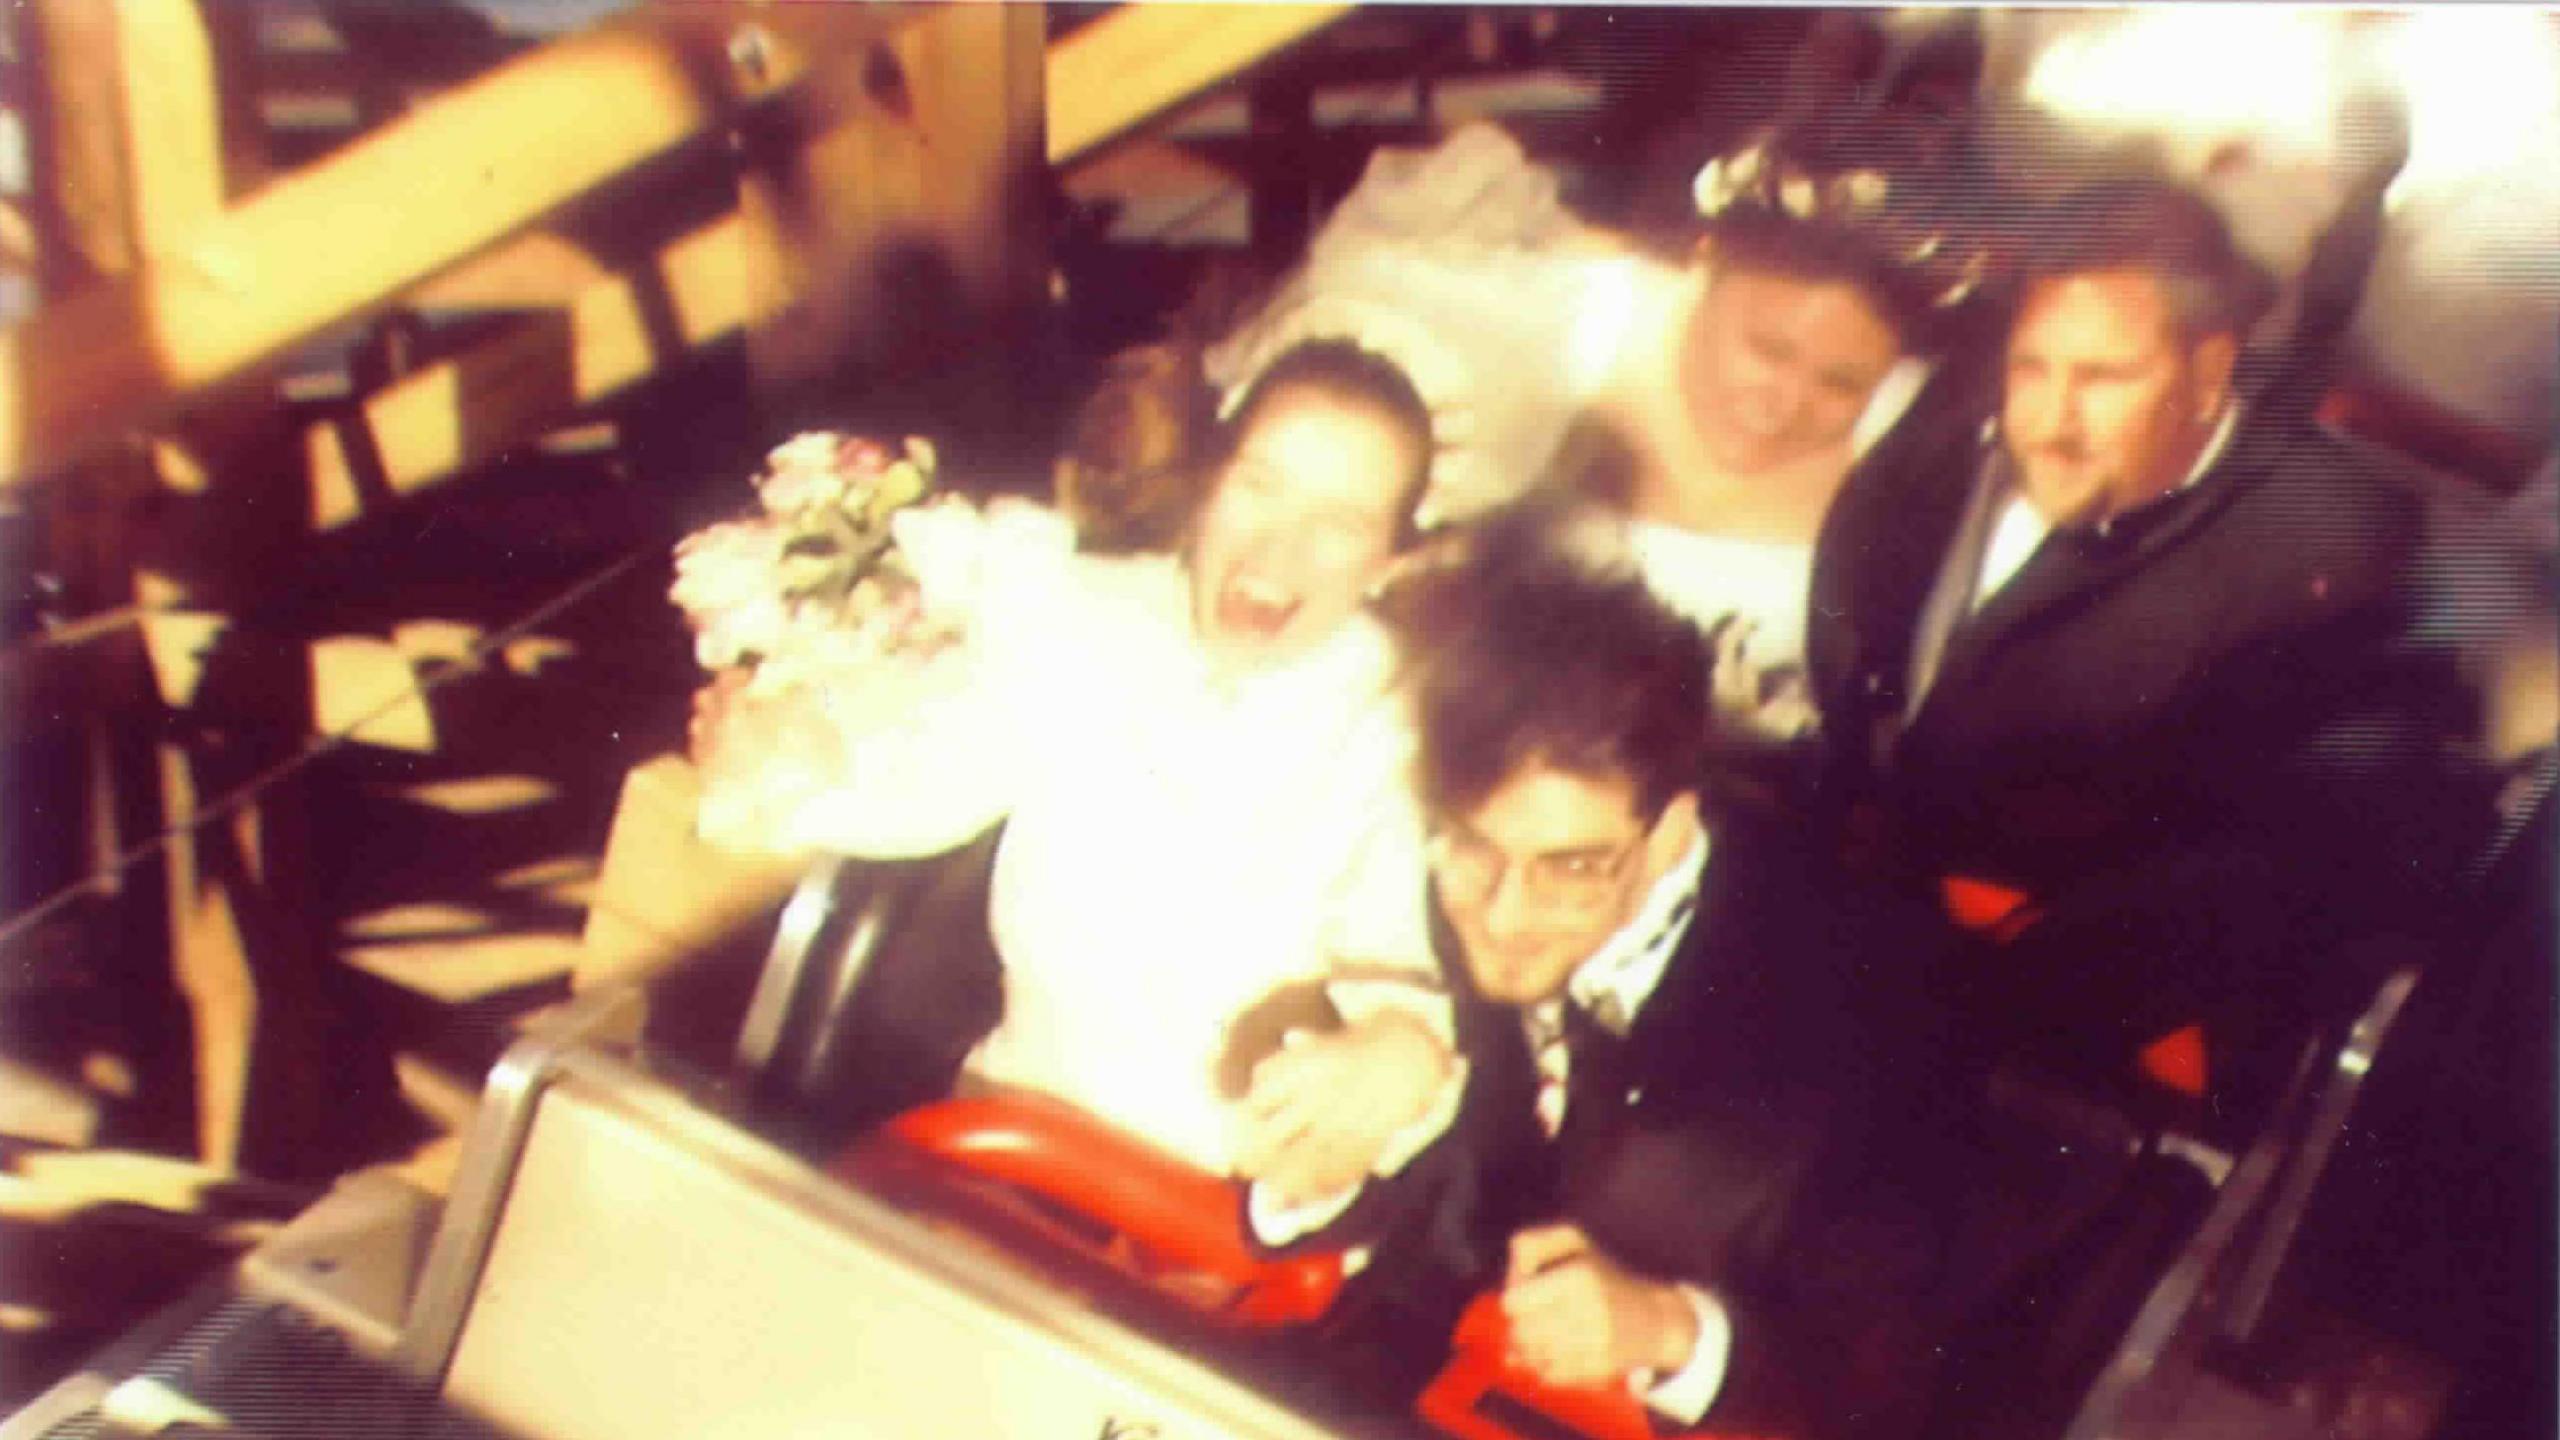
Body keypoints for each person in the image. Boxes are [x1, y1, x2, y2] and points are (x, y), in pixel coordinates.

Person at [1243, 515, 1959, 1439]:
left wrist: (1673, 1333)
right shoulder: (1417, 876)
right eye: (1475, 850)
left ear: (1668, 835)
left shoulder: (1874, 1010)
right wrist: (1328, 1150)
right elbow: (1384, 1220)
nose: (1502, 916)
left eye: (1570, 868)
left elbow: (1887, 1401)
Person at [688, 339, 1455, 1179]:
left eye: (1340, 524)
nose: (1280, 551)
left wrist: (1398, 1049)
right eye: (1260, 486)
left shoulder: (1397, 732)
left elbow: (1405, 962)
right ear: (1208, 482)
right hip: (1008, 1136)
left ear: (1388, 563)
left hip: (1216, 1213)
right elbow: (938, 774)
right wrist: (794, 766)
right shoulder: (1089, 617)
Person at [1806, 174, 2485, 1112]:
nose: (2050, 418)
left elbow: (2337, 854)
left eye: (2104, 378)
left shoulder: (2343, 541)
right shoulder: (1967, 416)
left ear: (2210, 374)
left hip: (2074, 1042)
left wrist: (2015, 955)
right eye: (2032, 368)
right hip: (1847, 931)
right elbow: (1857, 605)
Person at [1203, 121, 1991, 753]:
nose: (1783, 405)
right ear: (1702, 262)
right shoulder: (1552, 326)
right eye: (1766, 349)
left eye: (1840, 384)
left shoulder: (1931, 441)